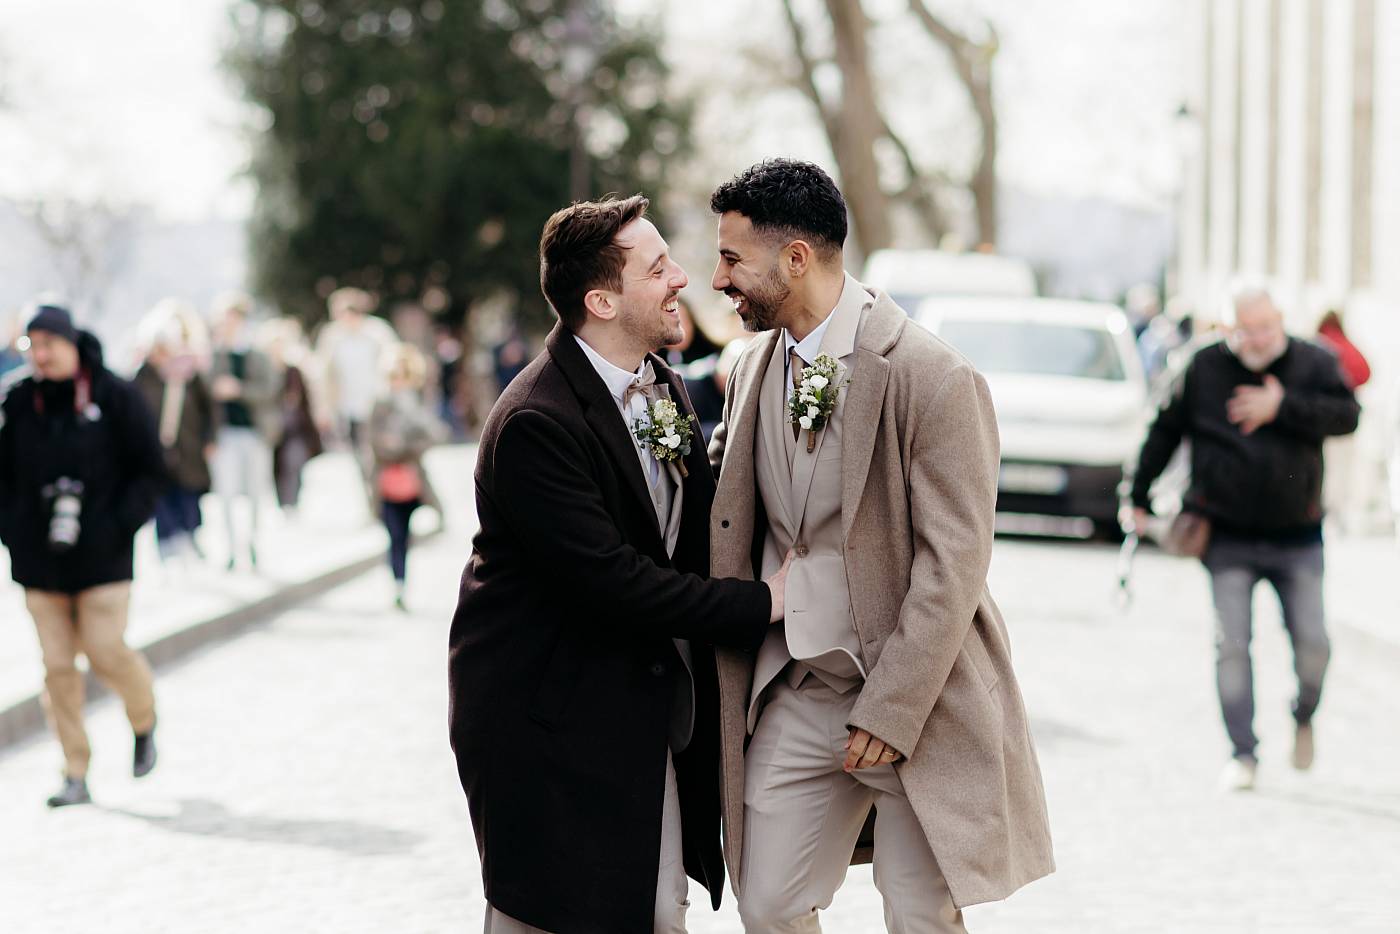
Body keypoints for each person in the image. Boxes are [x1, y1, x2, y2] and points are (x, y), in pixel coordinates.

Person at [705, 159, 1054, 932]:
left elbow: (953, 566)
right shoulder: (754, 366)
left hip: (919, 702)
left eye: (731, 258)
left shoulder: (934, 377)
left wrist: (890, 712)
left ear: (795, 258)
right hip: (795, 687)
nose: (718, 277)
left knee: (919, 915)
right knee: (769, 905)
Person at [447, 195, 792, 934]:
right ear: (601, 300)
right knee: (545, 919)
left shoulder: (660, 386)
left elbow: (694, 528)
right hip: (547, 728)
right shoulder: (535, 422)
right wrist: (761, 603)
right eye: (658, 267)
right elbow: (613, 581)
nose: (682, 280)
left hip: (643, 718)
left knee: (656, 912)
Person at [1131, 285, 1360, 792]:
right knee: (1231, 645)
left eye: (1265, 329)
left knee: (1313, 646)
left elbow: (1348, 416)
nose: (1256, 340)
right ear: (1226, 328)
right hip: (1227, 534)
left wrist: (1283, 406)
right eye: (1244, 330)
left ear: (1281, 321)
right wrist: (1136, 492)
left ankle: (1303, 714)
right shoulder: (1203, 366)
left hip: (1298, 535)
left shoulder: (1314, 363)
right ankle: (1243, 754)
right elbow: (1164, 428)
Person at [0, 304, 166, 807]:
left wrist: (117, 525)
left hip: (104, 556)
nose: (42, 355)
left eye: (50, 343)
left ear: (73, 343)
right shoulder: (17, 401)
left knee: (105, 649)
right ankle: (74, 770)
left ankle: (144, 720)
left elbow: (151, 469)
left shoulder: (115, 396)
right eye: (33, 346)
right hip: (39, 561)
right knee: (56, 667)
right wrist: (15, 532)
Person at [132, 299, 217, 563]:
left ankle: (190, 538)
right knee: (162, 496)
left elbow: (209, 409)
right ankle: (167, 547)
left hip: (188, 445)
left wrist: (210, 438)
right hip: (155, 446)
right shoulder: (142, 376)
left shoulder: (189, 373)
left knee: (189, 493)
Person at [209, 294, 282, 571]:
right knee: (225, 494)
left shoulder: (257, 354)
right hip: (224, 434)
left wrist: (239, 390)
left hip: (255, 432)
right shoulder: (214, 355)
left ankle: (251, 543)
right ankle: (229, 547)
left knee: (255, 493)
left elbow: (270, 391)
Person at [368, 342, 443, 610]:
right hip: (387, 479)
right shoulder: (380, 403)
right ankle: (398, 584)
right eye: (394, 375)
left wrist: (402, 447)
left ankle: (403, 581)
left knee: (406, 535)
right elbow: (373, 441)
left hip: (413, 479)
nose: (398, 381)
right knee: (395, 535)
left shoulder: (419, 403)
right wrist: (389, 448)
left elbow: (433, 436)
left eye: (403, 375)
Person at [315, 287, 398, 473]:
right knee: (358, 455)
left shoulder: (378, 333)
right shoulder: (331, 337)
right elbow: (323, 375)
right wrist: (324, 408)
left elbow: (394, 364)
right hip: (348, 406)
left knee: (379, 453)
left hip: (377, 403)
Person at [260, 317, 323, 515]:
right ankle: (283, 503)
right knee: (277, 466)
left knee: (295, 462)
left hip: (294, 427)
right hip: (271, 428)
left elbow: (304, 398)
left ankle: (292, 501)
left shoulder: (293, 370)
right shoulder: (264, 371)